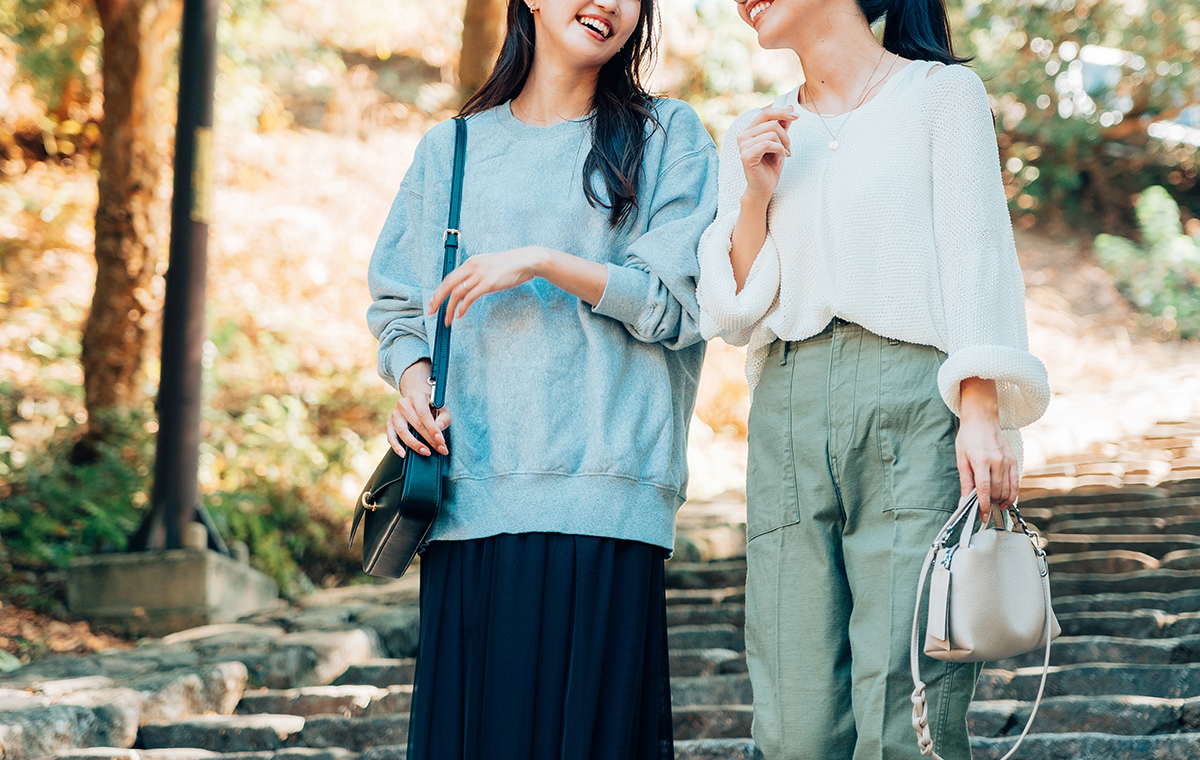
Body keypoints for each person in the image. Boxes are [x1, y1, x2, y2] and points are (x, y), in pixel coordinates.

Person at [695, 0, 1051, 758]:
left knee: (905, 700)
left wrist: (981, 410)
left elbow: (975, 251)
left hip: (913, 404)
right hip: (787, 407)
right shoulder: (757, 133)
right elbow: (730, 314)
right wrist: (755, 195)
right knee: (794, 718)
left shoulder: (939, 96)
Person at [366, 0, 718, 757]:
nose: (610, 4)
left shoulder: (669, 137)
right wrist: (415, 387)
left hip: (605, 500)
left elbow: (675, 307)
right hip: (470, 504)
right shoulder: (452, 149)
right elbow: (400, 304)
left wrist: (542, 261)